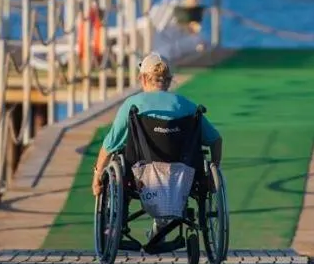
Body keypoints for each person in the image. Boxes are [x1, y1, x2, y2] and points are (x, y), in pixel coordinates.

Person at [92, 51, 221, 196]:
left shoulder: (132, 105)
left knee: (120, 153)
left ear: (143, 78)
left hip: (140, 177)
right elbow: (215, 140)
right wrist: (214, 170)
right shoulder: (187, 106)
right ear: (169, 80)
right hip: (183, 177)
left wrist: (97, 175)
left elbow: (110, 145)